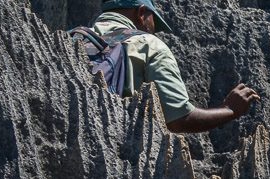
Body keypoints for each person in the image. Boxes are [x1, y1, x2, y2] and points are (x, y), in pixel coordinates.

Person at [87, 0, 259, 133]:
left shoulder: (69, 39)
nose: (152, 31)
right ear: (141, 13)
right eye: (152, 22)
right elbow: (178, 119)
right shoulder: (148, 44)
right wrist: (231, 110)